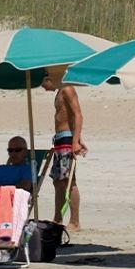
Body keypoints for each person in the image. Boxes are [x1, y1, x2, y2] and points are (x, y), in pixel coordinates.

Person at [41, 75, 86, 232]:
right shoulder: (59, 91)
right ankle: (58, 218)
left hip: (67, 139)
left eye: (43, 83)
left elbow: (78, 115)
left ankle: (75, 221)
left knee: (68, 181)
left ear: (50, 77)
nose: (43, 87)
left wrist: (75, 141)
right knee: (57, 181)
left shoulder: (67, 89)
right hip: (60, 139)